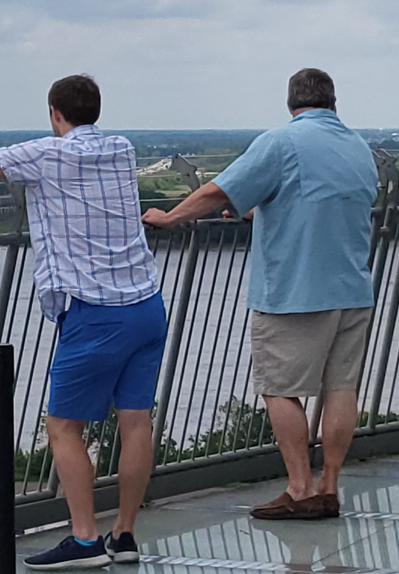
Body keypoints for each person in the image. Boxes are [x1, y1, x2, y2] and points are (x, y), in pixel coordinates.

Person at [142, 68, 378, 520]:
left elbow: (216, 191)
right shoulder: (359, 147)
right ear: (333, 102)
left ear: (292, 103)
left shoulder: (281, 142)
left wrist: (170, 219)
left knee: (278, 389)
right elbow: (319, 200)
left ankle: (299, 487)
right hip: (353, 287)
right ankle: (329, 485)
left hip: (294, 291)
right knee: (341, 389)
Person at [0, 75, 167, 569]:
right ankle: (125, 536)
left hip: (94, 312)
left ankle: (85, 538)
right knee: (136, 422)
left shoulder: (46, 154)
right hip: (146, 302)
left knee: (62, 426)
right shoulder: (122, 149)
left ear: (55, 114)